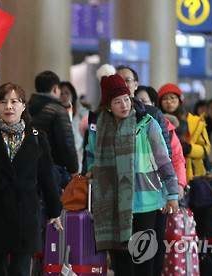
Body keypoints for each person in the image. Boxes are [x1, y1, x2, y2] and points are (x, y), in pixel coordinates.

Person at [85, 74, 178, 276]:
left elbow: (163, 161)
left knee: (144, 258)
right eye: (117, 102)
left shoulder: (147, 123)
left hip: (146, 200)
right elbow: (90, 154)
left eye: (126, 99)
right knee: (121, 261)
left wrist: (172, 194)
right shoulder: (99, 127)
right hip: (113, 201)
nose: (124, 105)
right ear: (108, 106)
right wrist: (92, 169)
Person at [0, 82, 63, 276]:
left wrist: (55, 210)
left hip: (25, 214)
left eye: (14, 101)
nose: (8, 107)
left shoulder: (37, 137)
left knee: (20, 271)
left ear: (23, 105)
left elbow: (46, 176)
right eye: (3, 102)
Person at [28, 71, 78, 188]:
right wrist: (74, 170)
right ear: (56, 89)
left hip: (29, 168)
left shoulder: (26, 109)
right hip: (54, 169)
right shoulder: (59, 111)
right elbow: (67, 143)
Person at [158, 83, 211, 182]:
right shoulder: (155, 122)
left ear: (179, 100)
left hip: (193, 176)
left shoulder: (195, 122)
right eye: (164, 99)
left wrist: (189, 148)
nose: (169, 101)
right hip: (164, 173)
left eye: (172, 98)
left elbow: (206, 149)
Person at [59, 81, 89, 172]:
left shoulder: (83, 114)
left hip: (80, 159)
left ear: (73, 95)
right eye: (61, 94)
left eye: (67, 93)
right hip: (60, 161)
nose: (64, 96)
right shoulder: (55, 115)